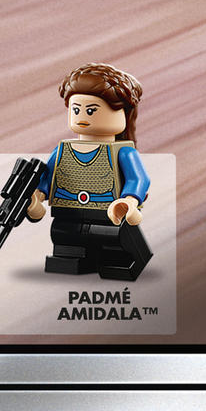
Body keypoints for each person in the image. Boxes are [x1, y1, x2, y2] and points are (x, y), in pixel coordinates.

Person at [26, 64, 153, 280]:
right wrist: (37, 196)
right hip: (68, 211)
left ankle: (117, 261)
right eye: (76, 110)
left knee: (113, 238)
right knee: (64, 236)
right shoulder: (63, 150)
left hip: (108, 212)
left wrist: (129, 201)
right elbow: (48, 176)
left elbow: (138, 179)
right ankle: (70, 257)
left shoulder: (123, 152)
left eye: (91, 110)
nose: (82, 116)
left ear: (122, 112)